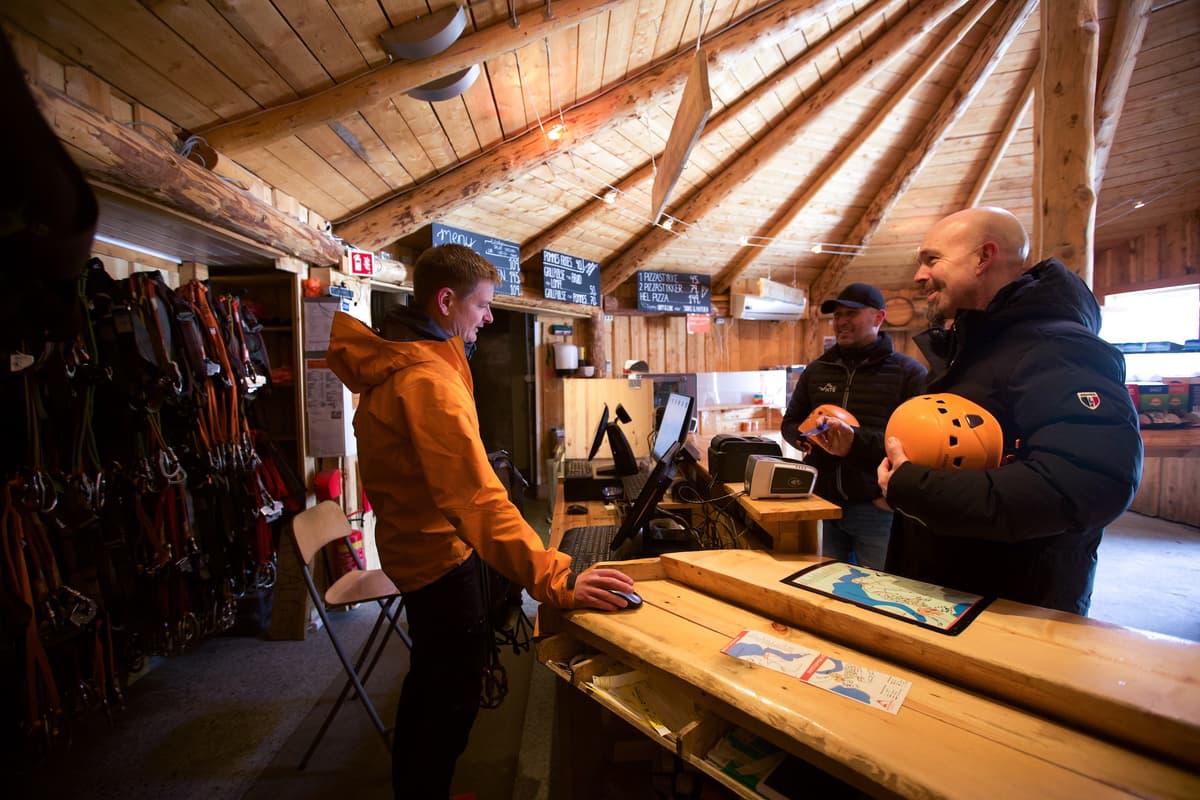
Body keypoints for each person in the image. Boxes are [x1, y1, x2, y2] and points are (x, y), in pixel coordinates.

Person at [326, 244, 635, 799]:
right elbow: (478, 501)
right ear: (446, 301)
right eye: (484, 305)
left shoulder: (407, 360)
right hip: (438, 561)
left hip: (415, 549)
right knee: (448, 699)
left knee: (433, 685)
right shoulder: (426, 381)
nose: (490, 318)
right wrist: (555, 577)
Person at [877, 206, 1143, 615]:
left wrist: (914, 488)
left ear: (984, 257)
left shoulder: (1059, 348)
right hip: (949, 596)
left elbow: (1086, 481)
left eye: (932, 259)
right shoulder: (973, 349)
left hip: (1017, 606)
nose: (919, 275)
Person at [781, 282, 927, 568]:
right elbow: (791, 423)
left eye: (851, 314)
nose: (841, 322)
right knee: (824, 585)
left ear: (878, 317)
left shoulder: (909, 373)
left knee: (881, 588)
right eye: (837, 315)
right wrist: (806, 438)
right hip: (823, 504)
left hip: (877, 509)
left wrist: (854, 443)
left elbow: (917, 444)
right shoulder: (818, 370)